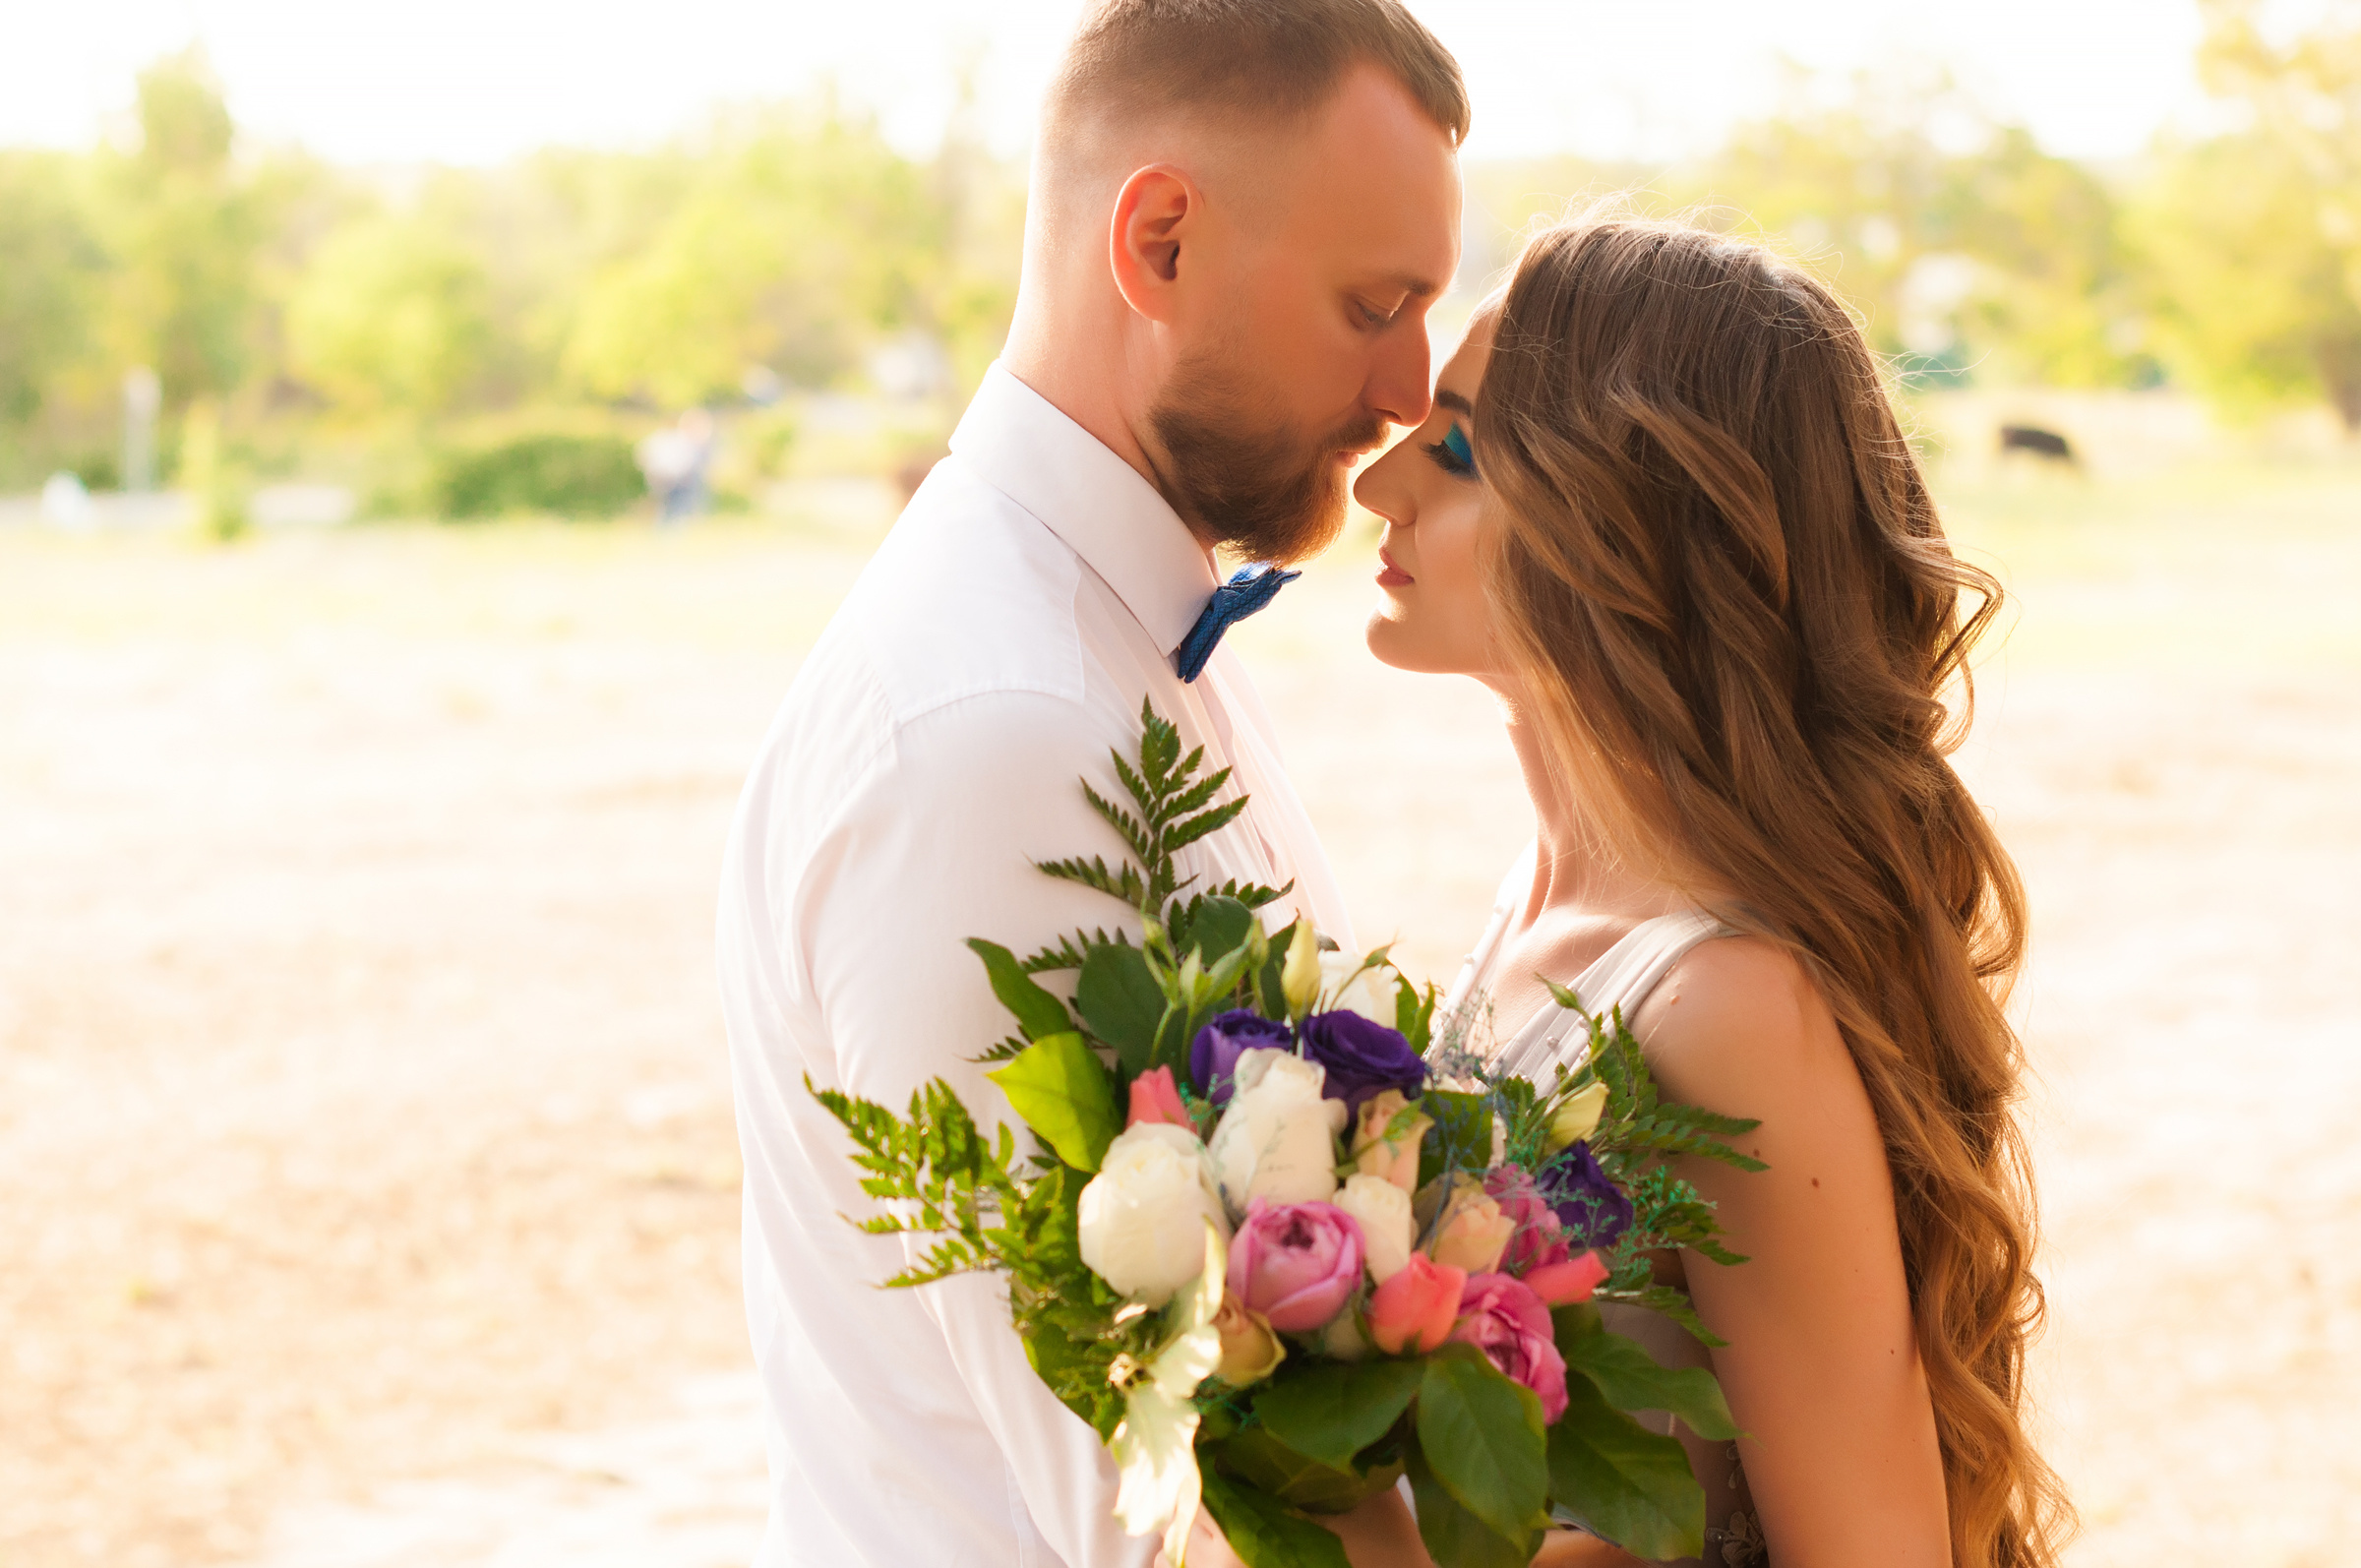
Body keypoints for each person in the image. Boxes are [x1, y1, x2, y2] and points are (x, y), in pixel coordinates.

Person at [715, 3, 1465, 1565]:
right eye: (1371, 303)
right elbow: (1161, 1508)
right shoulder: (997, 731)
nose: (1411, 384)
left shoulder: (1115, 631)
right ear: (1164, 241)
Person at [1352, 216, 2074, 1567]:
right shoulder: (1534, 901)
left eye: (1455, 451)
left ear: (1625, 528)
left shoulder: (1723, 1002)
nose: (1378, 483)